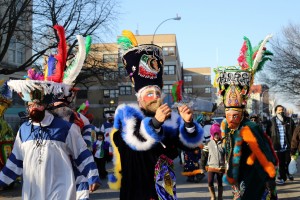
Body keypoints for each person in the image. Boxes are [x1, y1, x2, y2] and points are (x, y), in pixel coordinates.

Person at [108, 30, 204, 200]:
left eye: (158, 93)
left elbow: (189, 149)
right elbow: (131, 145)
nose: (155, 98)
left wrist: (188, 124)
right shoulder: (127, 120)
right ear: (139, 99)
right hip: (138, 192)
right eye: (150, 94)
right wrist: (154, 124)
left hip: (164, 191)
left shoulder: (169, 122)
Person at [214, 35, 277, 199]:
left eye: (235, 114)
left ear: (242, 112)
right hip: (238, 178)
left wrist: (269, 178)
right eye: (228, 115)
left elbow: (264, 154)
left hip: (253, 177)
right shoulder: (226, 127)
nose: (231, 118)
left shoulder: (250, 127)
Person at [266, 105, 295, 184]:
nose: (281, 111)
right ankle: (282, 178)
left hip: (287, 146)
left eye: (282, 110)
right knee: (281, 163)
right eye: (279, 110)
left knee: (288, 162)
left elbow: (294, 133)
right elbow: (268, 134)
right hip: (277, 147)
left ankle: (288, 173)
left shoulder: (289, 120)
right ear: (276, 111)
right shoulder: (271, 121)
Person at [201, 123, 225, 200]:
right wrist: (202, 167)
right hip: (211, 166)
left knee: (219, 182)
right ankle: (213, 196)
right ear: (212, 134)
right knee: (210, 181)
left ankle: (220, 197)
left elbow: (227, 155)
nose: (216, 136)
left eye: (218, 134)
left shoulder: (223, 143)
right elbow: (204, 156)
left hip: (220, 167)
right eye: (215, 134)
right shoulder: (208, 143)